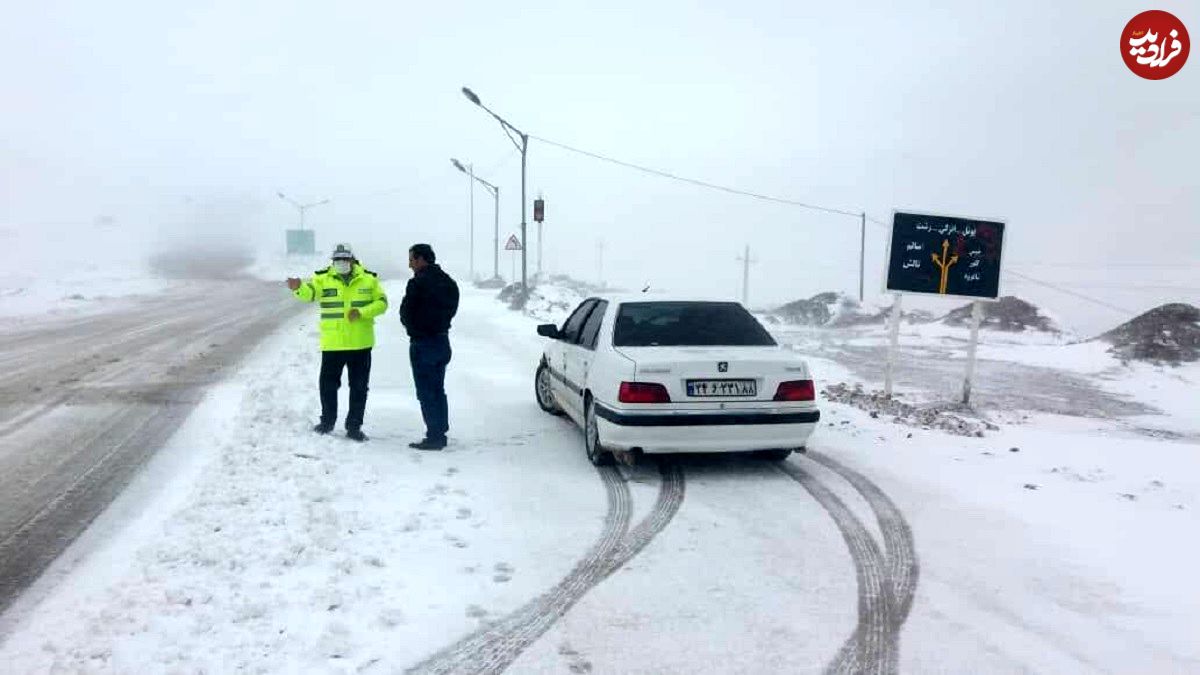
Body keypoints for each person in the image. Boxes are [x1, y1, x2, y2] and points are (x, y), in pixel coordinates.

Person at [286, 244, 388, 442]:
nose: (341, 263)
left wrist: (362, 312)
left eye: (344, 259)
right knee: (328, 385)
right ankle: (327, 422)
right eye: (337, 260)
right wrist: (299, 288)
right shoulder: (323, 278)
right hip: (333, 344)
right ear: (333, 261)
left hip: (360, 343)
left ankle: (354, 427)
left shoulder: (369, 279)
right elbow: (310, 293)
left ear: (352, 260)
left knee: (359, 387)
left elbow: (382, 303)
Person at [399, 243, 459, 450]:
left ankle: (434, 436)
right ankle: (440, 432)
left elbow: (406, 312)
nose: (409, 264)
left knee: (426, 391)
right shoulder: (448, 282)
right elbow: (452, 308)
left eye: (411, 259)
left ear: (421, 259)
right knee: (437, 388)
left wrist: (415, 329)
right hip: (442, 340)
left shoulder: (418, 283)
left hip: (423, 343)